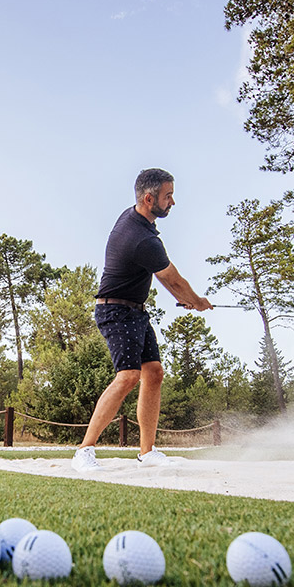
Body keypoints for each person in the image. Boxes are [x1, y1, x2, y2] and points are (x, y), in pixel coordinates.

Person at [72, 168, 211, 472]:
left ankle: (147, 452)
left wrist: (185, 297)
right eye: (168, 196)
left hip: (135, 310)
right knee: (128, 377)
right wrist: (196, 301)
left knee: (155, 373)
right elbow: (172, 279)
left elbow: (166, 277)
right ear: (149, 199)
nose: (172, 202)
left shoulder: (137, 219)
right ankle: (84, 450)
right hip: (115, 311)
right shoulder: (140, 237)